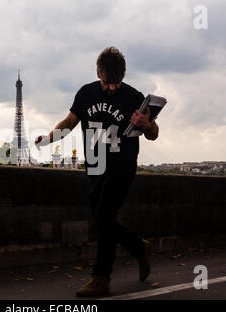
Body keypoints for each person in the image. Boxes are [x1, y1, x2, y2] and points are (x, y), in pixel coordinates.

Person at [35, 47, 158, 296]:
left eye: (117, 83)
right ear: (97, 72)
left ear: (124, 75)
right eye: (106, 82)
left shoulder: (134, 97)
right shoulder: (86, 93)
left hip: (122, 166)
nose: (112, 88)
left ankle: (101, 278)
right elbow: (70, 122)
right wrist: (49, 138)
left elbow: (154, 133)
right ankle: (138, 247)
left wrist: (146, 125)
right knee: (105, 219)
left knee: (104, 214)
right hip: (95, 166)